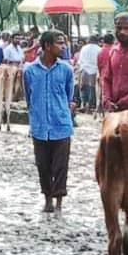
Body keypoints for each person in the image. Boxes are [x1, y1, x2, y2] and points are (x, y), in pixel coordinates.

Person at [23, 30, 75, 213]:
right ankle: (47, 199)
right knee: (43, 164)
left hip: (61, 124)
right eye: (59, 43)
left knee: (61, 165)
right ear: (47, 46)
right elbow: (28, 97)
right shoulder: (29, 71)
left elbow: (69, 95)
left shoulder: (67, 69)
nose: (63, 47)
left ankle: (59, 199)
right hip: (39, 125)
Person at [77, 35, 101, 112]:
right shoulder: (99, 49)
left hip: (84, 69)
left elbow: (80, 61)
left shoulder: (84, 48)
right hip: (94, 70)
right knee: (93, 88)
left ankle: (84, 103)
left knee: (83, 87)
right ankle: (91, 105)